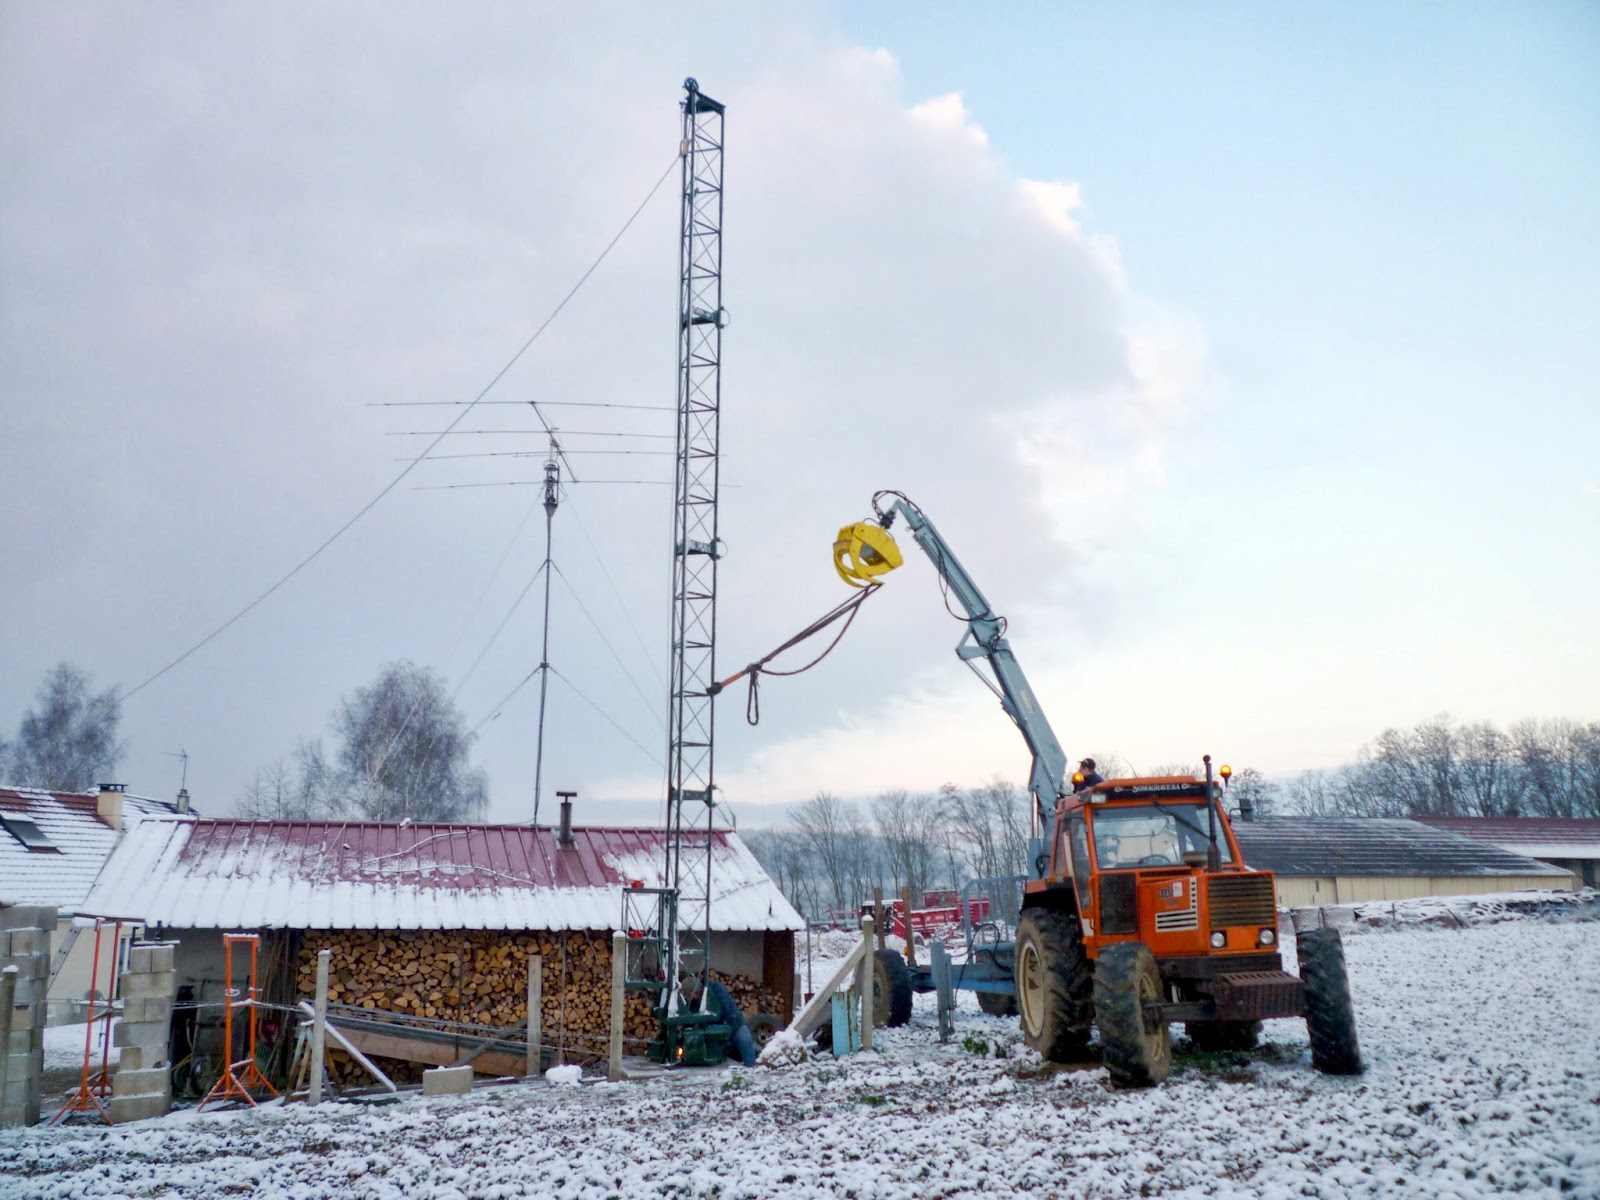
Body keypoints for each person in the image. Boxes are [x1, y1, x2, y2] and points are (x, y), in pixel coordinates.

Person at [681, 972, 757, 1067]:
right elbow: (691, 1017)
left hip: (733, 1023)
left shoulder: (716, 989)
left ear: (695, 991)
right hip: (715, 1031)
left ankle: (751, 1069)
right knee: (715, 1058)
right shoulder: (693, 1002)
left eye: (690, 995)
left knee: (745, 1042)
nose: (689, 998)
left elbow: (723, 1008)